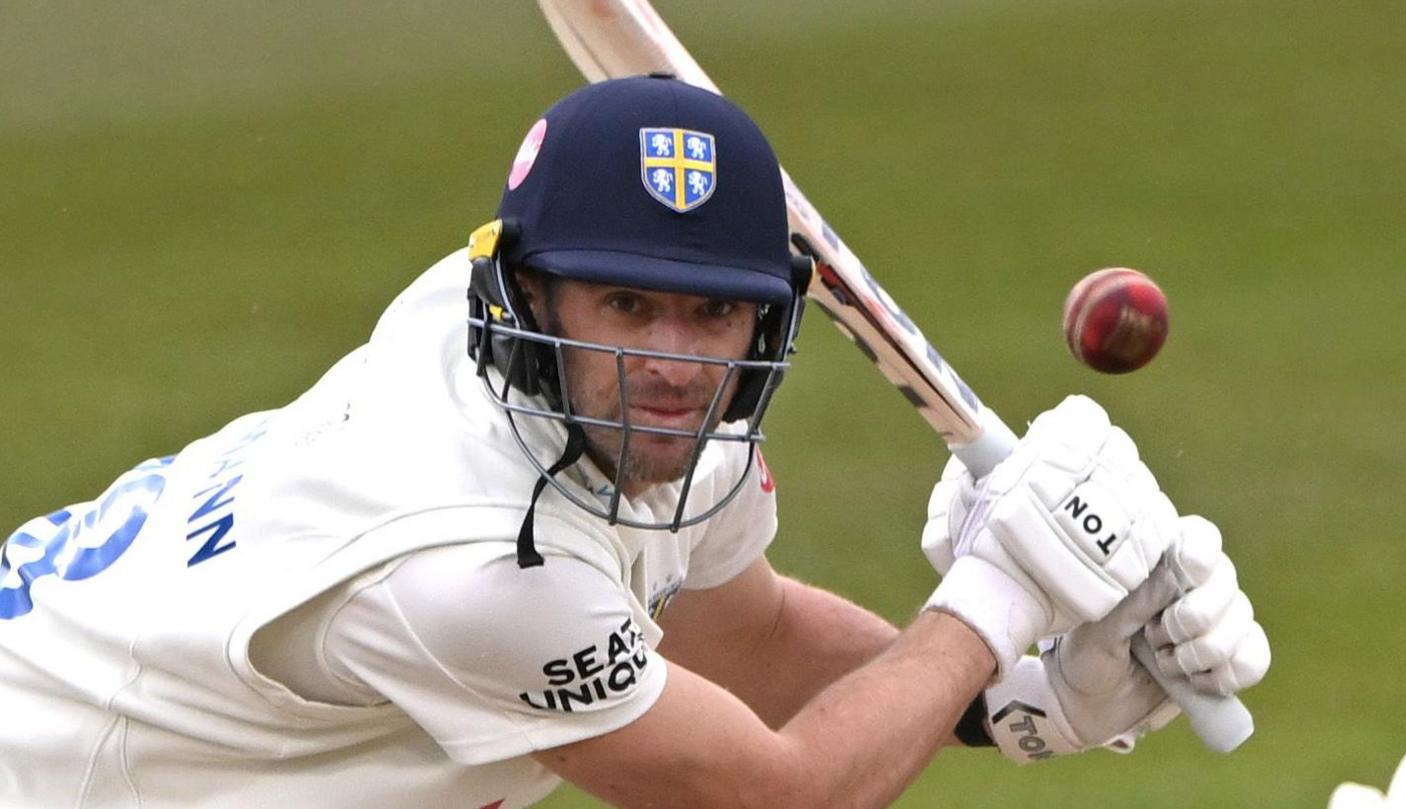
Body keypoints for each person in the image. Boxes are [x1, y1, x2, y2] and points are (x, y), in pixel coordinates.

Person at [0, 75, 1270, 808]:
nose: (671, 361)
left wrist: (1021, 703)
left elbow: (745, 637)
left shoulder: (570, 387)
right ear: (534, 296)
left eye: (714, 311)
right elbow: (776, 793)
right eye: (626, 304)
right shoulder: (476, 565)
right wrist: (995, 594)